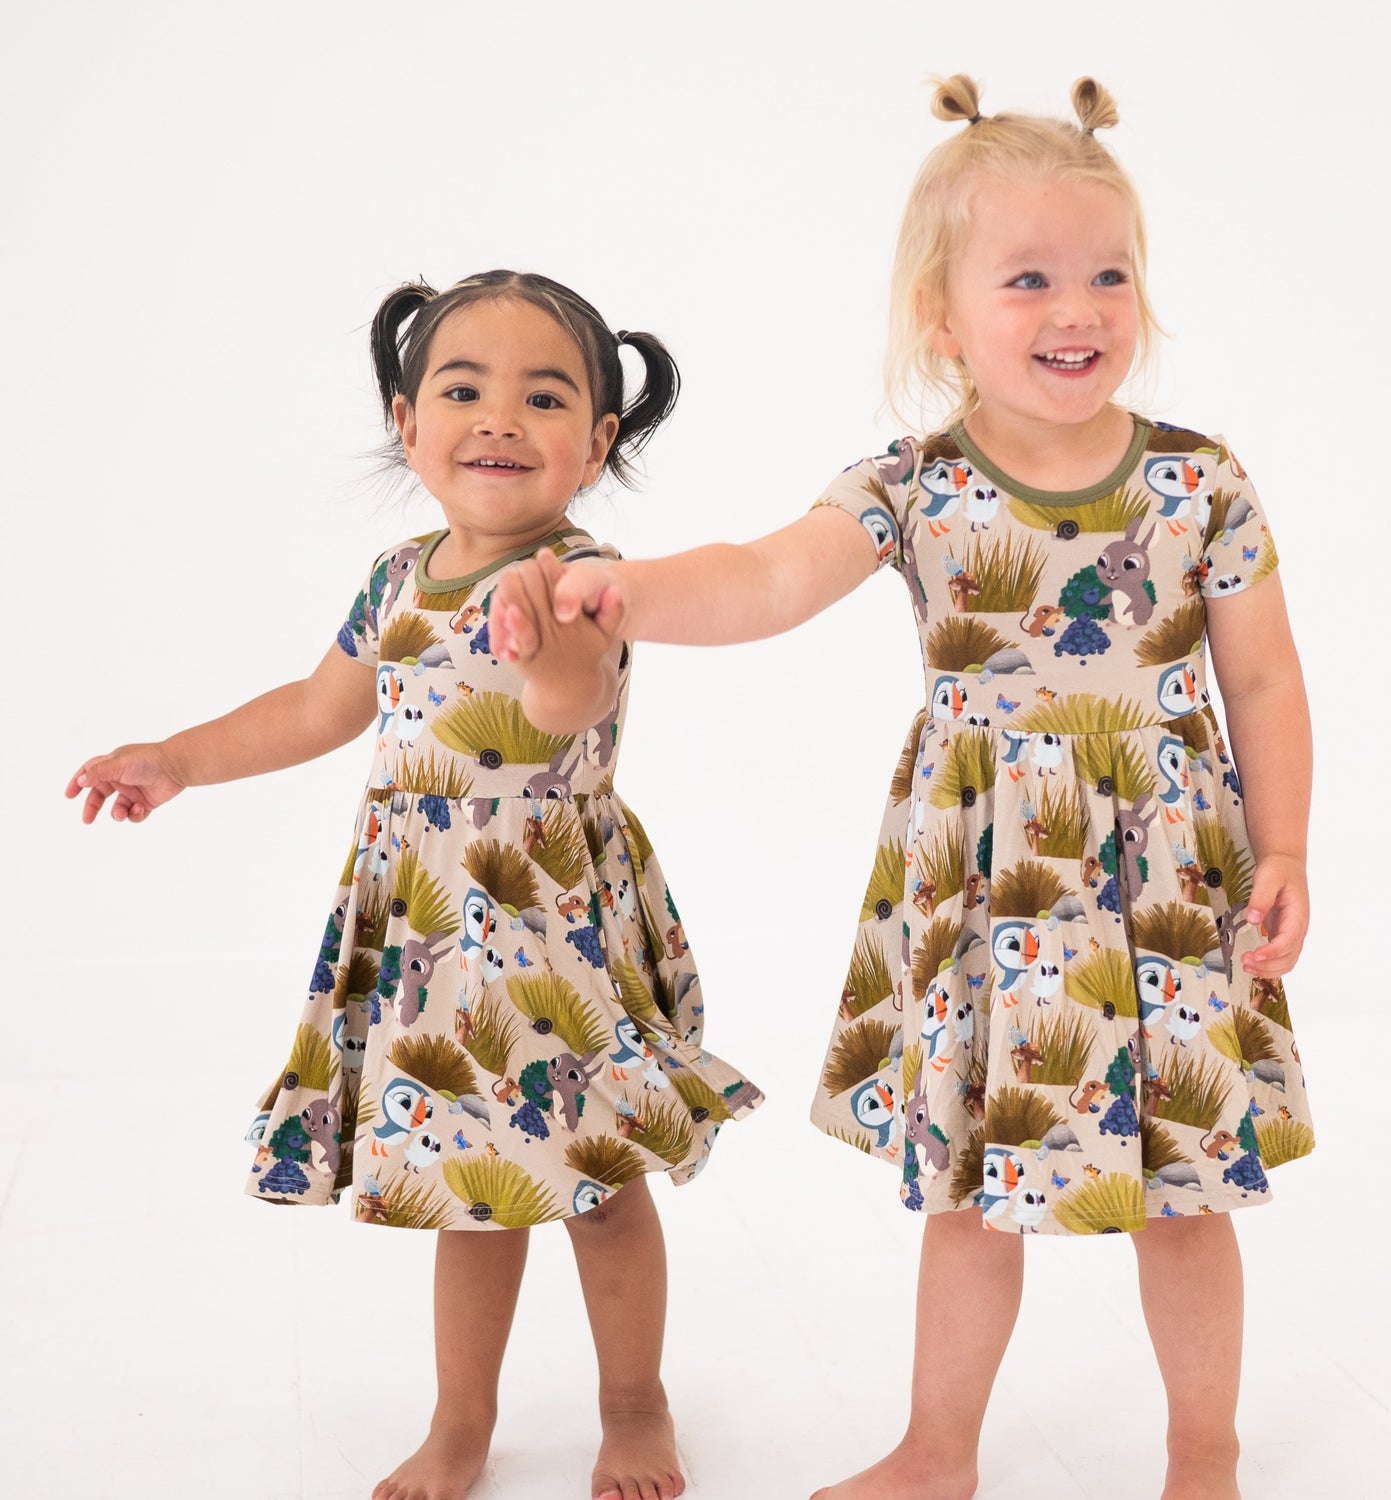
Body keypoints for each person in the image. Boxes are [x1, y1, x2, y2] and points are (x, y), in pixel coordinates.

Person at [489, 78, 1314, 1500]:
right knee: (971, 1201)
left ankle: (1206, 1452)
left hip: (1166, 894)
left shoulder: (1201, 486)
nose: (1081, 308)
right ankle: (940, 1449)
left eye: (1109, 274)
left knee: (1185, 1195)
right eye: (1032, 278)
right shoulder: (917, 485)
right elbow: (762, 577)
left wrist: (1286, 842)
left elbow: (1265, 684)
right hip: (994, 887)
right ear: (945, 316)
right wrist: (620, 588)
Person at [65, 269, 763, 1500]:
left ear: (595, 442)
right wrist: (175, 757)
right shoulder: (396, 578)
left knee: (598, 1188)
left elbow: (573, 702)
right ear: (408, 422)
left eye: (543, 397)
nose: (499, 418)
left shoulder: (581, 578)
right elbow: (317, 708)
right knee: (470, 1194)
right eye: (464, 388)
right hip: (432, 928)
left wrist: (539, 642)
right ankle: (461, 1424)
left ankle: (634, 1400)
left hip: (552, 921)